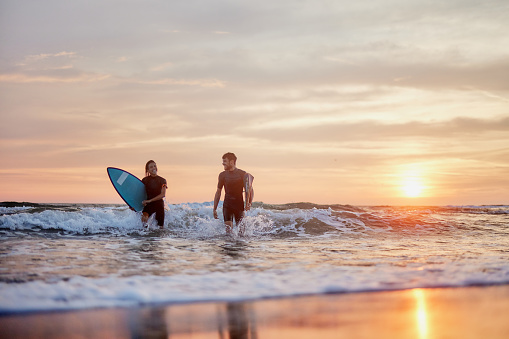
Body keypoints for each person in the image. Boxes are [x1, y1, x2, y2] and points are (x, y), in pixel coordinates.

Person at [213, 152, 254, 234]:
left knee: (241, 233)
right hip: (227, 205)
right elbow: (218, 192)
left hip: (239, 205)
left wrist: (249, 203)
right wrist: (214, 208)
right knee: (228, 233)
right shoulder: (222, 175)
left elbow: (250, 190)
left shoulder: (242, 174)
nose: (223, 163)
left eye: (225, 161)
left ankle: (239, 247)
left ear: (231, 162)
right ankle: (229, 246)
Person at [141, 160, 167, 229]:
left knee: (160, 228)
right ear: (148, 170)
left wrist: (150, 200)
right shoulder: (144, 180)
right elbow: (139, 194)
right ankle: (144, 238)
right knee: (143, 222)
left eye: (155, 166)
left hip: (159, 205)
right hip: (148, 205)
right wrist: (132, 205)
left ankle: (157, 239)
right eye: (151, 167)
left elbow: (163, 194)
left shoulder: (162, 180)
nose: (154, 168)